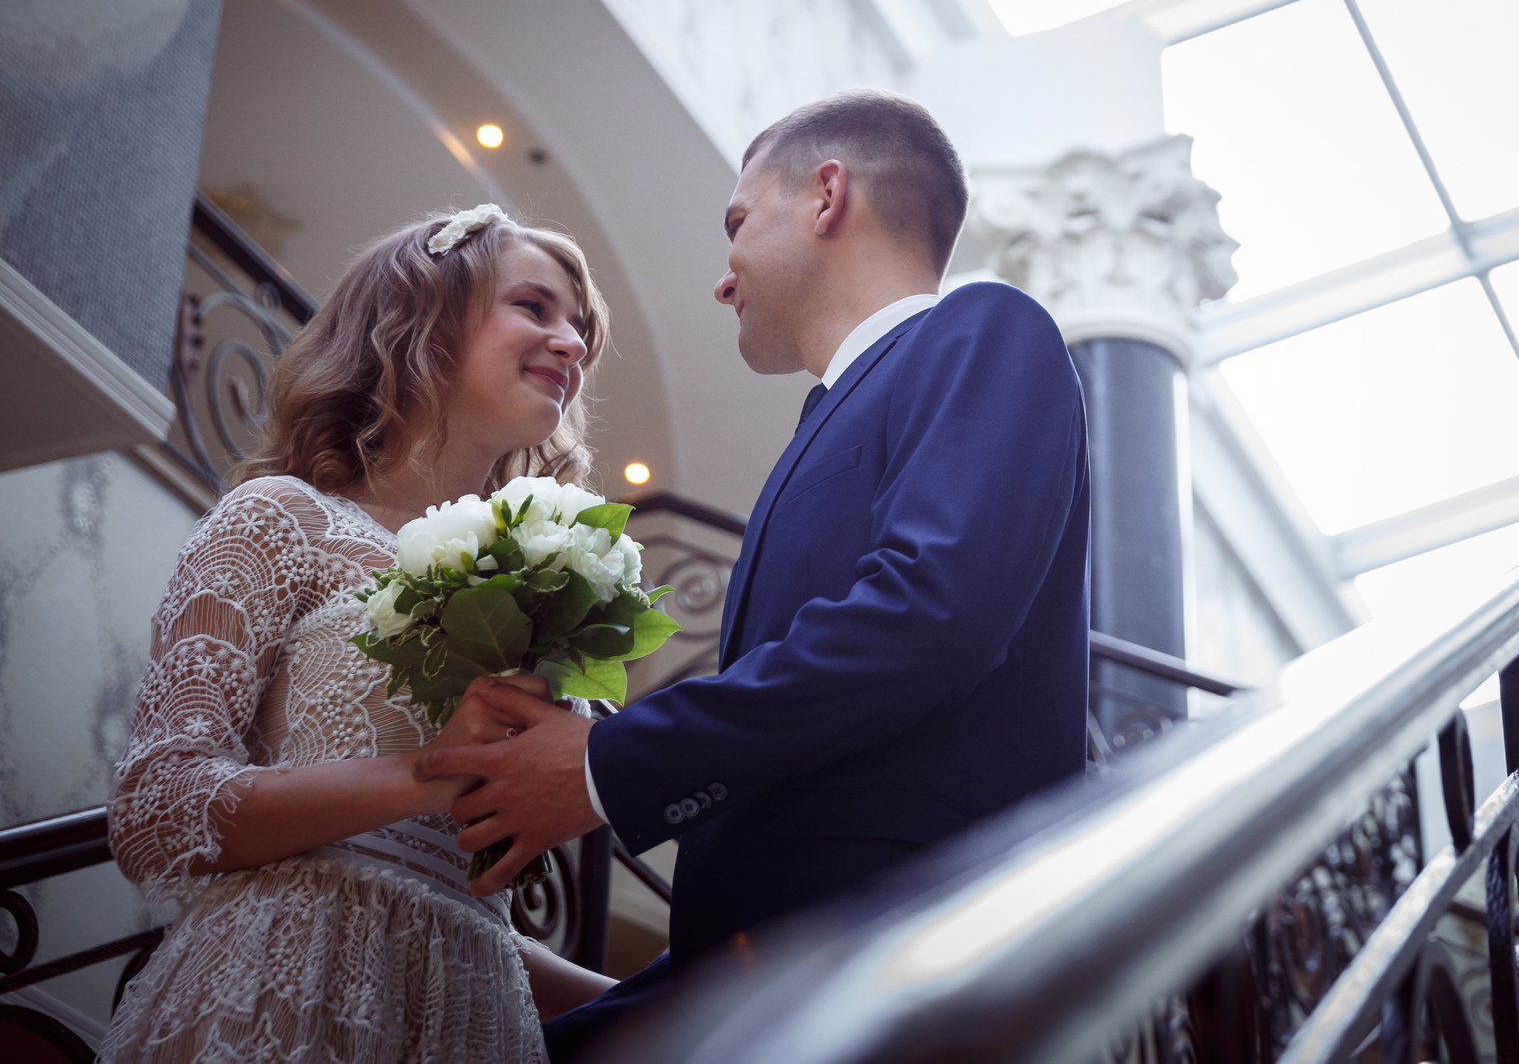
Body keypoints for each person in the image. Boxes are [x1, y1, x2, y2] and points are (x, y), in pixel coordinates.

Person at [419, 89, 1092, 1057]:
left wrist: (608, 768)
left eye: (736, 223)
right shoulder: (821, 423)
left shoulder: (983, 327)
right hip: (778, 971)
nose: (723, 280)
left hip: (899, 963)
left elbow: (928, 612)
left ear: (827, 195)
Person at [100, 205, 620, 1063]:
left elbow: (447, 905)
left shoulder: (530, 600)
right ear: (424, 316)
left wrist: (664, 993)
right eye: (535, 307)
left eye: (579, 327)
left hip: (467, 1019)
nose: (570, 342)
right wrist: (426, 770)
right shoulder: (280, 520)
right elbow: (158, 812)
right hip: (279, 989)